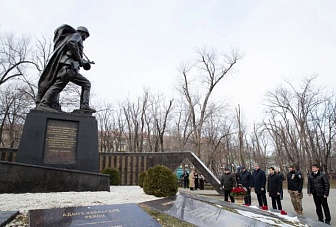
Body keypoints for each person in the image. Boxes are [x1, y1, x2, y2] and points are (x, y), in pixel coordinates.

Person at [36, 24, 96, 113]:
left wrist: (84, 62)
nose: (85, 38)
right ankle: (43, 104)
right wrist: (80, 59)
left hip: (71, 68)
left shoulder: (75, 37)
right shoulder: (77, 35)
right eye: (86, 35)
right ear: (82, 32)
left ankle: (84, 106)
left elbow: (73, 53)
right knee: (58, 86)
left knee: (86, 84)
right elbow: (71, 43)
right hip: (68, 67)